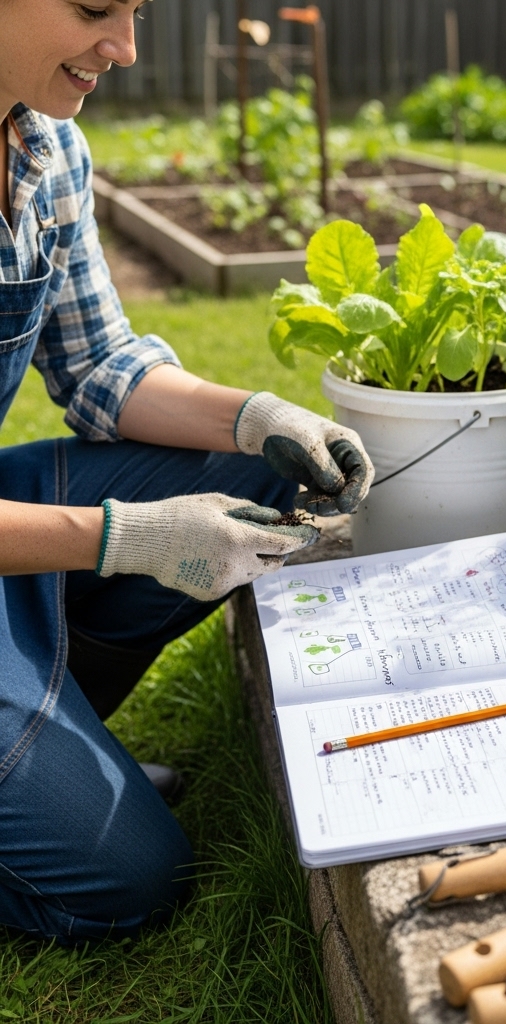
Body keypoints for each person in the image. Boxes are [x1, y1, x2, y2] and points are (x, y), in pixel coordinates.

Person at [0, 0, 374, 944]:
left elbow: (96, 368)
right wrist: (126, 538)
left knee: (248, 475)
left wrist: (258, 418)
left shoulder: (44, 153)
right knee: (132, 878)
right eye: (93, 9)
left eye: (134, 11)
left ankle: (53, 735)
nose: (125, 48)